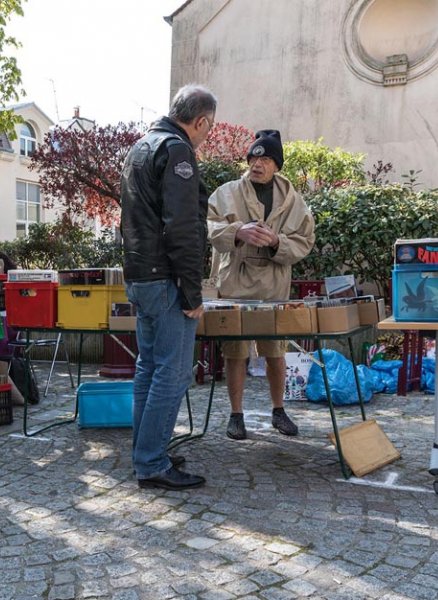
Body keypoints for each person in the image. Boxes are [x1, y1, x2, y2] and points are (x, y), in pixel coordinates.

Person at [120, 84, 216, 491]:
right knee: (173, 374)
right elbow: (182, 227)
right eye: (207, 130)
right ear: (201, 121)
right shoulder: (177, 151)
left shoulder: (141, 146)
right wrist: (193, 293)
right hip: (165, 278)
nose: (206, 136)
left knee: (149, 368)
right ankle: (151, 461)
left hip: (140, 274)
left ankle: (146, 452)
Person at [207, 129, 316, 440]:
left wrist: (277, 241)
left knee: (275, 351)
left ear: (276, 165)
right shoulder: (226, 193)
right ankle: (236, 415)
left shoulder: (293, 200)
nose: (258, 163)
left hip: (273, 287)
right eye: (254, 156)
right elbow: (208, 224)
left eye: (266, 158)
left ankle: (279, 410)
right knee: (235, 351)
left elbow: (306, 240)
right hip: (235, 286)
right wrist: (238, 231)